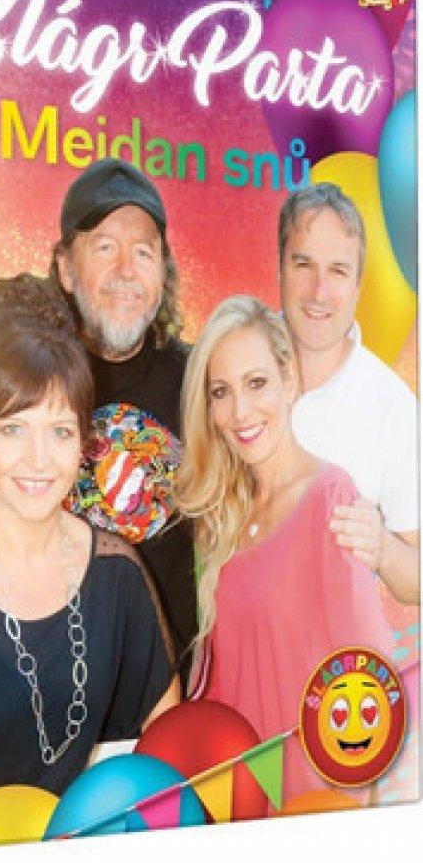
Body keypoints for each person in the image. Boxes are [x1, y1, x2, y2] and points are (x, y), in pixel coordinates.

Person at [0, 278, 179, 795]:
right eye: (13, 429)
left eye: (60, 431)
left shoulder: (117, 571)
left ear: (84, 442)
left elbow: (165, 729)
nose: (39, 460)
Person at [0, 159, 198, 688]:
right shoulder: (16, 380)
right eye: (105, 247)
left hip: (168, 693)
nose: (126, 271)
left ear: (162, 273)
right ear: (64, 268)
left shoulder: (201, 380)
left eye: (143, 252)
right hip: (44, 693)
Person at [176, 295, 394, 801]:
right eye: (221, 392)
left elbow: (369, 677)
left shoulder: (330, 500)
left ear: (289, 380)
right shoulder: (222, 515)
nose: (240, 412)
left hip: (311, 800)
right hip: (234, 799)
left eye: (256, 383)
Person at [279, 184, 418, 605]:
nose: (318, 291)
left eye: (338, 271)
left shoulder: (393, 405)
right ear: (280, 268)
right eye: (303, 264)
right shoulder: (232, 368)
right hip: (231, 638)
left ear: (358, 285)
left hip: (333, 645)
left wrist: (382, 546)